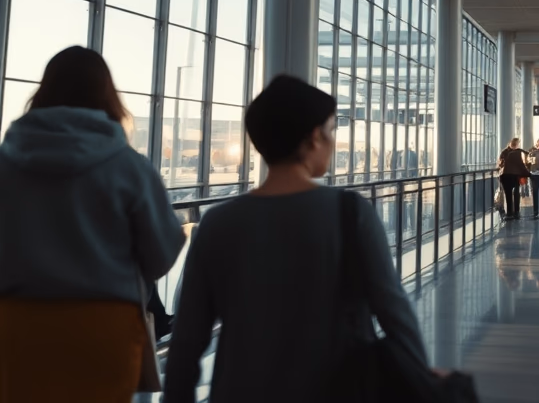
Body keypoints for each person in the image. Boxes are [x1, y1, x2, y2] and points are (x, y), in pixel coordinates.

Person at [164, 75, 429, 403]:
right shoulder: (350, 213)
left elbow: (187, 339)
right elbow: (394, 311)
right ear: (314, 137)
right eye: (331, 131)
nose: (332, 142)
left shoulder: (218, 222)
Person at [0, 47, 185, 403]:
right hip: (104, 326)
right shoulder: (129, 167)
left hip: (17, 324)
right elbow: (162, 253)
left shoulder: (6, 165)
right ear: (107, 96)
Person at [497, 137, 529, 220]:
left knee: (508, 194)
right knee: (516, 193)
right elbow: (521, 164)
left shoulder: (504, 152)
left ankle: (510, 213)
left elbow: (500, 164)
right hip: (515, 175)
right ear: (517, 144)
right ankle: (516, 212)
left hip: (505, 175)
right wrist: (528, 173)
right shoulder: (517, 152)